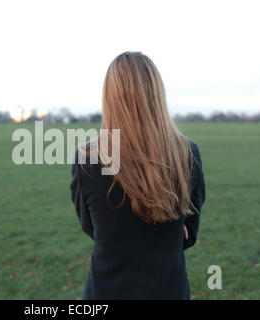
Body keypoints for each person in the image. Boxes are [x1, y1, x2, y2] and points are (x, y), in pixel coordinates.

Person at [70, 51, 206, 299]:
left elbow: (90, 228)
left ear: (109, 98)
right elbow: (189, 235)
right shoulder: (187, 154)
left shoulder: (86, 159)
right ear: (156, 94)